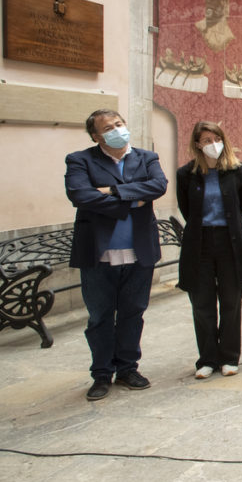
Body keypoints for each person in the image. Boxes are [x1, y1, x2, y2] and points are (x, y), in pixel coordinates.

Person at [65, 109, 168, 401]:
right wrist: (130, 200)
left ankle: (127, 368)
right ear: (96, 136)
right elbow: (80, 195)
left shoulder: (146, 158)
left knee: (133, 313)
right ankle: (101, 374)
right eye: (108, 128)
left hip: (139, 251)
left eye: (119, 124)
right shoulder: (80, 160)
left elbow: (158, 186)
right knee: (99, 316)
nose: (116, 130)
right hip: (99, 253)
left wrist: (110, 191)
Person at [176, 121, 242, 378]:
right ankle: (207, 358)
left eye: (216, 138)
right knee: (202, 302)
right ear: (197, 144)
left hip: (230, 240)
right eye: (207, 140)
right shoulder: (186, 174)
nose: (213, 144)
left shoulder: (238, 171)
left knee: (231, 300)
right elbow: (187, 210)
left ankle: (230, 357)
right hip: (199, 243)